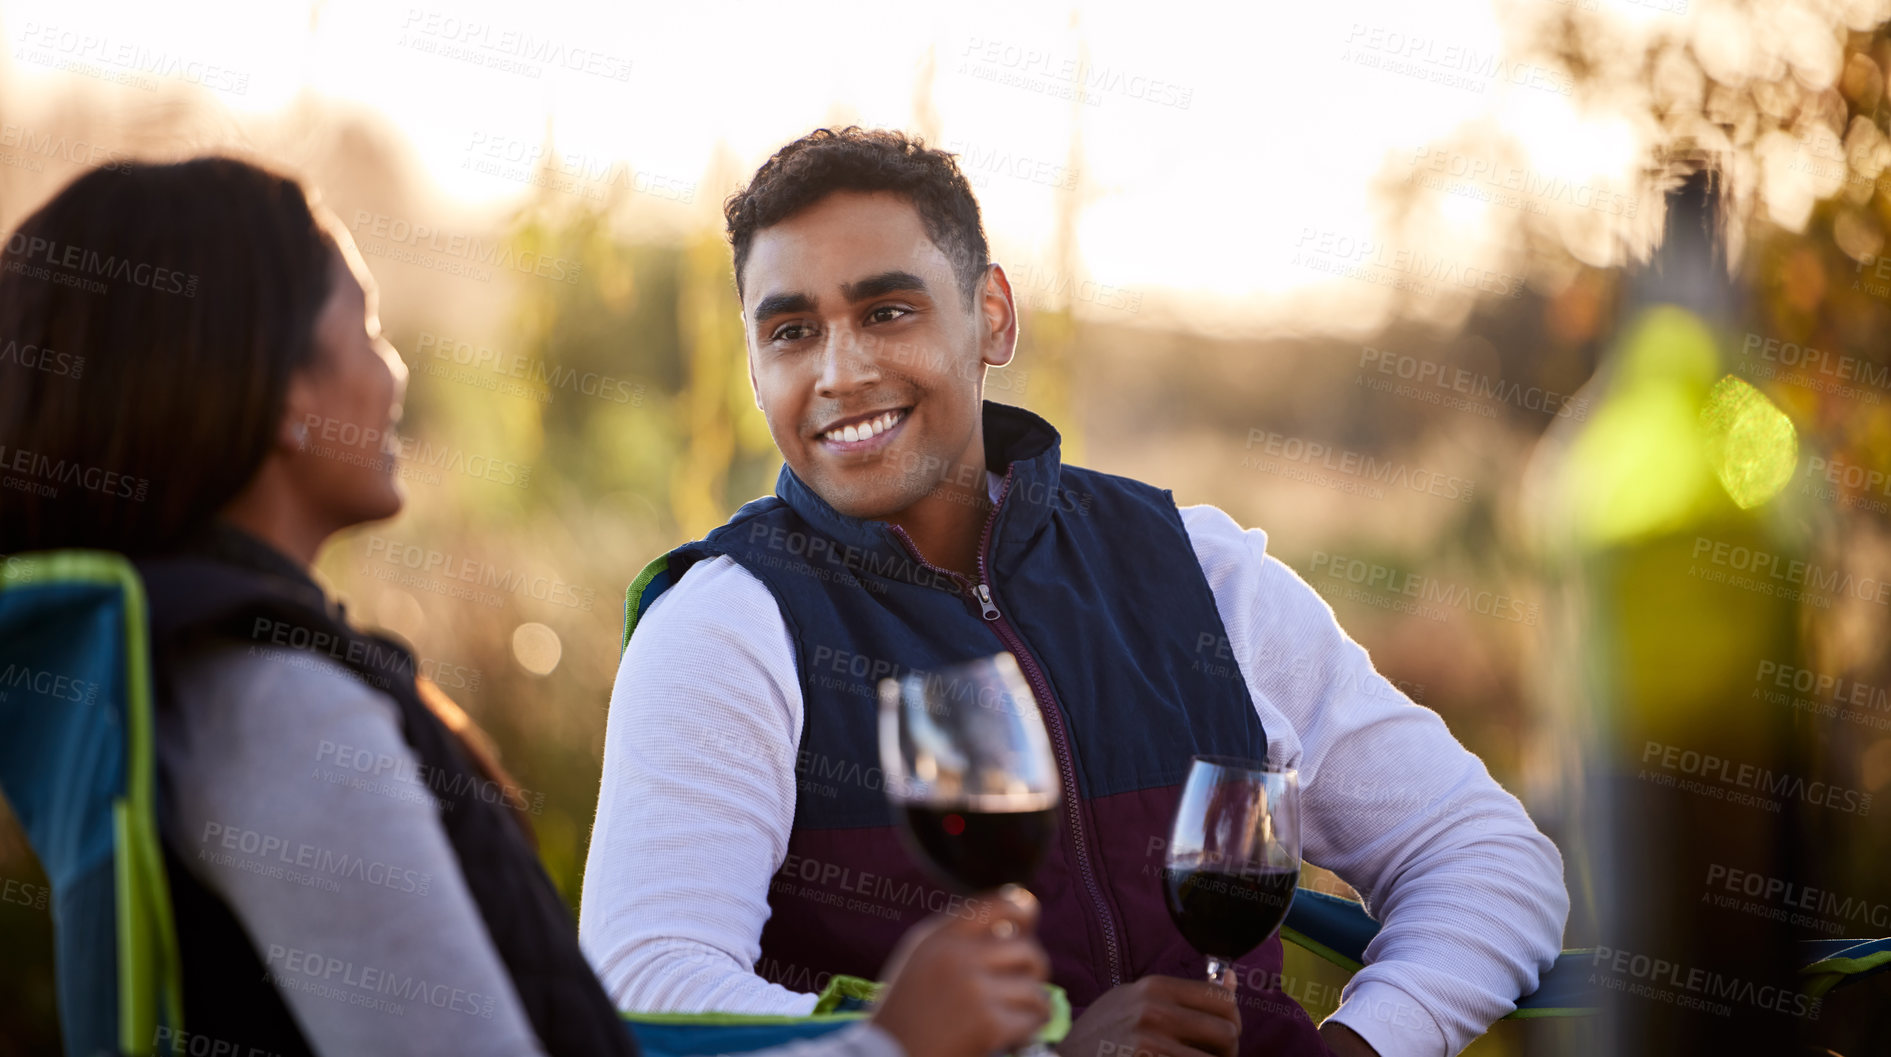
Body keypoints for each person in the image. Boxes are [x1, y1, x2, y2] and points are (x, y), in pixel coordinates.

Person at [0, 157, 1051, 1057]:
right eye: (362, 324)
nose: (394, 366)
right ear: (280, 391)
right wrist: (889, 1039)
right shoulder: (279, 711)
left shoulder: (178, 671)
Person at [579, 127, 1571, 1057]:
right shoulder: (726, 623)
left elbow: (1482, 855)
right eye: (791, 330)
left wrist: (1361, 1044)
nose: (839, 371)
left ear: (991, 317)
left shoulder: (1200, 571)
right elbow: (654, 987)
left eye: (888, 311)